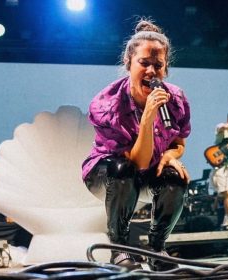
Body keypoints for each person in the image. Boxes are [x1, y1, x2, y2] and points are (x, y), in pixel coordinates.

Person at [82, 18, 191, 271]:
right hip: (109, 174)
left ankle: (157, 249)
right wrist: (147, 119)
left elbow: (178, 141)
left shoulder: (176, 99)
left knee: (176, 178)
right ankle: (119, 249)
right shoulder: (107, 104)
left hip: (145, 171)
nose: (151, 71)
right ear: (128, 63)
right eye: (144, 63)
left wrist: (171, 155)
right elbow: (137, 162)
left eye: (158, 65)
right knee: (123, 170)